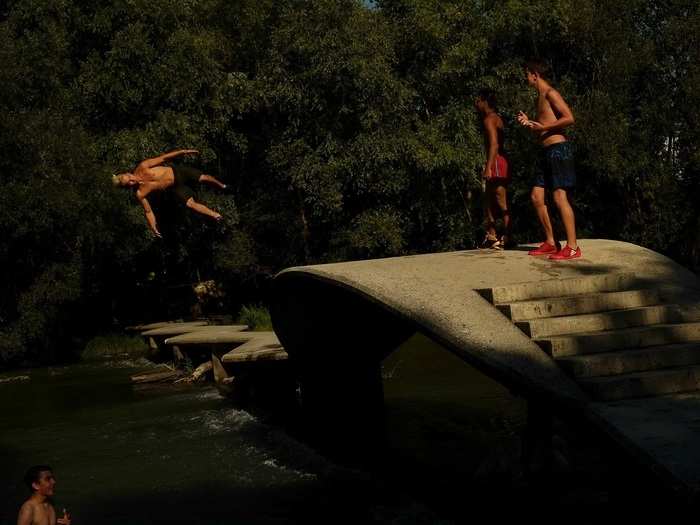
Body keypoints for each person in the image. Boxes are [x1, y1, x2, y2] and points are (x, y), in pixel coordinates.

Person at [517, 59, 580, 260]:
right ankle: (551, 242)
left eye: (527, 74)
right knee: (536, 196)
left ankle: (572, 247)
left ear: (535, 74)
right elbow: (544, 123)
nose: (526, 78)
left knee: (559, 197)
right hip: (545, 152)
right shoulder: (539, 97)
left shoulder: (550, 93)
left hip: (558, 150)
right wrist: (530, 123)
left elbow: (569, 118)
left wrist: (543, 128)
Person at [112, 149, 228, 237]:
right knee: (190, 204)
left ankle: (221, 185)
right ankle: (215, 215)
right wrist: (153, 227)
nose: (132, 181)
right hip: (174, 187)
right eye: (130, 183)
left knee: (204, 178)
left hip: (178, 172)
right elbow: (148, 211)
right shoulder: (140, 193)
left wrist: (183, 151)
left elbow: (164, 158)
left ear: (128, 173)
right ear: (128, 186)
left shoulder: (143, 166)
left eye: (130, 178)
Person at [475, 88, 512, 249]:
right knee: (491, 200)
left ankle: (505, 235)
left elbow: (494, 144)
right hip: (500, 159)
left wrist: (488, 167)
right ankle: (493, 235)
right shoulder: (497, 118)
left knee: (498, 199)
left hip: (496, 161)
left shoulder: (490, 119)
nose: (476, 103)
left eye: (478, 100)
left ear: (484, 101)